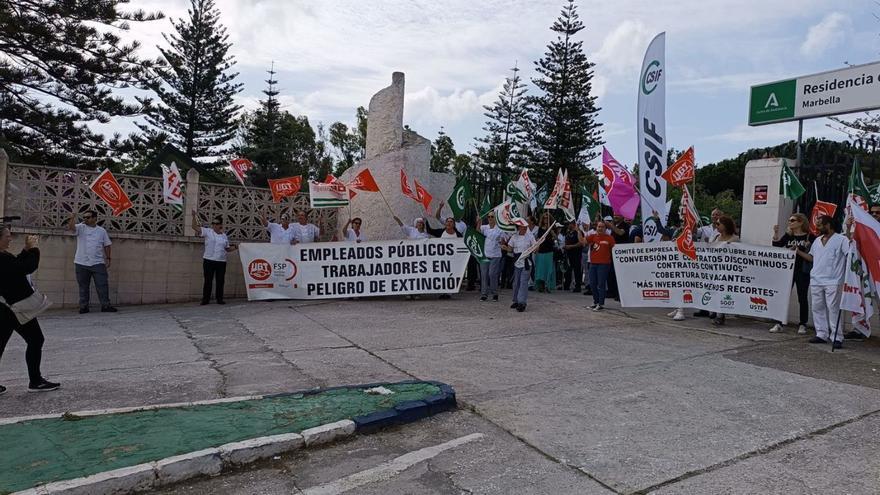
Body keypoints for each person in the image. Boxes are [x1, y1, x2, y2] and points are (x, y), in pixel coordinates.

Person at [0, 226, 60, 393]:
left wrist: (26, 250)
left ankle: (36, 380)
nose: (10, 238)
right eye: (7, 236)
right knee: (35, 339)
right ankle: (35, 381)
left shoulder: (4, 256)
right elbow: (26, 267)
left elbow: (16, 264)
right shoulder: (1, 257)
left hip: (8, 308)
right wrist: (34, 250)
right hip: (11, 308)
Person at [803, 215, 849, 349]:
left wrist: (849, 228)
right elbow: (811, 258)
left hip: (833, 280)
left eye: (820, 225)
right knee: (817, 308)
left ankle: (837, 336)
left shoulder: (841, 239)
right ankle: (821, 334)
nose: (817, 227)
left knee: (833, 309)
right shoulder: (817, 240)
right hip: (816, 279)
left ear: (828, 225)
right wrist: (798, 252)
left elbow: (849, 254)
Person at [769, 213, 814, 334]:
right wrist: (775, 233)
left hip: (802, 271)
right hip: (788, 270)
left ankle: (803, 324)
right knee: (783, 296)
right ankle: (779, 322)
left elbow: (813, 255)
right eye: (789, 220)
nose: (789, 222)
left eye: (793, 220)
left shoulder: (809, 237)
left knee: (802, 297)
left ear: (801, 222)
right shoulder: (788, 236)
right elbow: (777, 246)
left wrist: (801, 249)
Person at [67, 210, 117, 314]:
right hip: (81, 262)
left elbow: (107, 245)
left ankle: (105, 306)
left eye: (88, 217)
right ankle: (84, 307)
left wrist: (108, 258)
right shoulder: (81, 227)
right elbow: (71, 228)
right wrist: (72, 218)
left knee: (102, 285)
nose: (85, 219)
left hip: (98, 262)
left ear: (95, 218)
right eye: (84, 217)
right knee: (83, 286)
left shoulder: (101, 231)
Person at [191, 212, 238, 305]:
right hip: (209, 260)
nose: (214, 225)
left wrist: (236, 247)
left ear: (220, 225)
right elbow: (195, 227)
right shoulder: (208, 232)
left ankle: (219, 299)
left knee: (220, 281)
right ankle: (205, 299)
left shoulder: (224, 236)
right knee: (208, 280)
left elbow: (227, 249)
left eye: (216, 223)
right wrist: (193, 217)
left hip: (221, 261)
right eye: (213, 223)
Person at [709, 215, 740, 326]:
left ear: (725, 226)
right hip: (715, 269)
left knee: (722, 291)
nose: (716, 226)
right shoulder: (717, 237)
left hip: (727, 271)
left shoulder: (735, 239)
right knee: (714, 290)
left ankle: (720, 315)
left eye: (718, 224)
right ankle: (713, 310)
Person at [581, 220, 615, 311]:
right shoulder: (592, 236)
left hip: (604, 264)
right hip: (593, 263)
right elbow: (583, 242)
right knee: (592, 284)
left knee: (601, 284)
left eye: (602, 227)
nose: (600, 228)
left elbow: (615, 250)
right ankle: (595, 301)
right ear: (596, 228)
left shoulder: (609, 238)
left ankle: (600, 303)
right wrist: (578, 231)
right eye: (599, 226)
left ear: (605, 228)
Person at [502, 221, 536, 312]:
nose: (524, 228)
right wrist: (505, 247)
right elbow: (510, 248)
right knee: (516, 282)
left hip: (526, 263)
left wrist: (536, 247)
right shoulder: (514, 236)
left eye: (526, 226)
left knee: (523, 282)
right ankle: (516, 300)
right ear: (519, 227)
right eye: (523, 226)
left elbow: (536, 248)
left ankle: (522, 303)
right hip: (517, 263)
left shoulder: (530, 236)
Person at [476, 212, 506, 302]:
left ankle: (494, 293)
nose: (490, 218)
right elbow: (477, 231)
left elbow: (503, 240)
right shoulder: (485, 227)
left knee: (492, 274)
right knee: (484, 275)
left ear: (495, 218)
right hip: (485, 254)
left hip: (495, 255)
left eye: (492, 216)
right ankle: (484, 294)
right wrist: (479, 222)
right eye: (488, 216)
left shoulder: (500, 229)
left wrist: (502, 242)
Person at [534, 212, 556, 292]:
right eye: (544, 218)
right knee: (540, 269)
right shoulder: (540, 228)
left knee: (548, 269)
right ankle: (541, 285)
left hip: (549, 250)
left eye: (547, 218)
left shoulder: (553, 227)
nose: (545, 219)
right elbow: (539, 239)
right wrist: (536, 248)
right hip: (541, 251)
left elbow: (555, 237)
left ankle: (548, 285)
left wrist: (550, 229)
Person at [563, 221, 583, 292]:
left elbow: (581, 243)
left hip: (576, 254)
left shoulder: (579, 232)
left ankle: (578, 286)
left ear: (573, 224)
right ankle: (567, 284)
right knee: (568, 270)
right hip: (568, 254)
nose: (568, 225)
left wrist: (571, 246)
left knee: (577, 270)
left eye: (569, 223)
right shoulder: (568, 232)